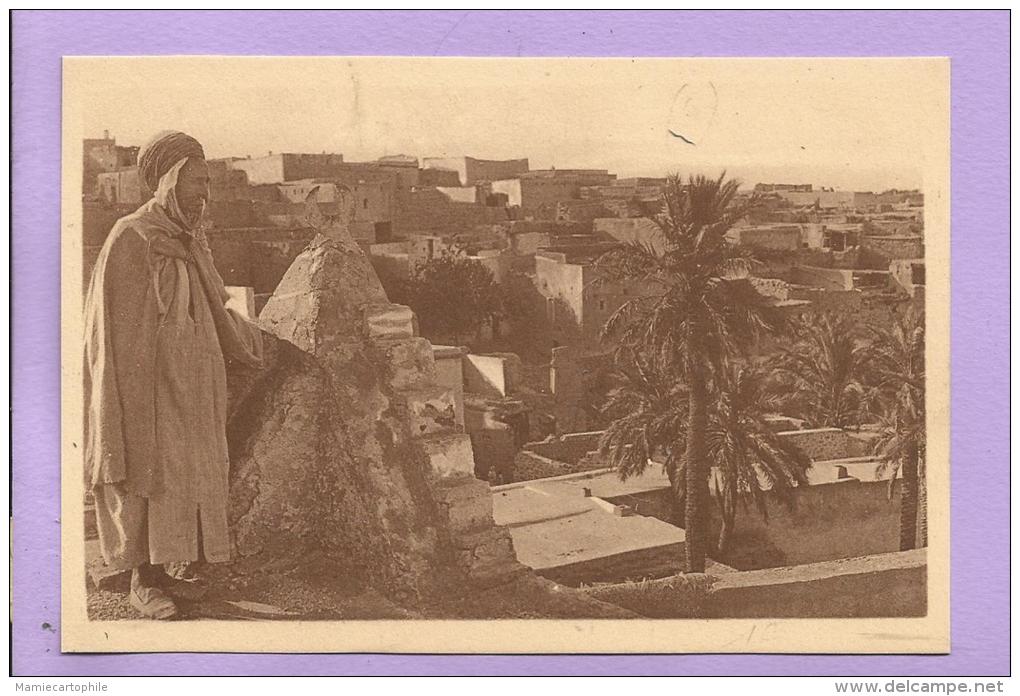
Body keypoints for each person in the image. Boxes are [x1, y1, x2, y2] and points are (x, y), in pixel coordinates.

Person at [83, 130, 262, 619]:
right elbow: (114, 334)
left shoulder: (187, 239)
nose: (204, 194)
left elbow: (211, 306)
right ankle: (144, 579)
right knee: (149, 469)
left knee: (188, 472)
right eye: (195, 182)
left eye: (208, 183)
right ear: (168, 181)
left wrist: (246, 340)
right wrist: (136, 392)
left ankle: (172, 568)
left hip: (194, 385)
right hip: (148, 390)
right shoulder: (131, 237)